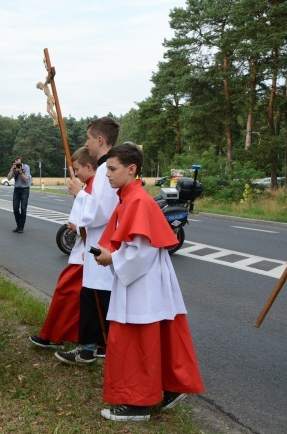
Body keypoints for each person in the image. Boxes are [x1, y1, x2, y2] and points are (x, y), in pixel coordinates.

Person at [95, 142, 204, 421]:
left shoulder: (138, 201)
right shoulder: (131, 197)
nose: (106, 174)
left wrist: (112, 259)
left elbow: (141, 251)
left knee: (137, 340)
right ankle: (165, 388)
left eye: (112, 168)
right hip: (146, 278)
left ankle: (138, 404)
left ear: (132, 169)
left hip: (142, 281)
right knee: (153, 336)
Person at [55, 117, 120, 365]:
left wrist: (79, 194)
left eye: (89, 138)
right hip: (97, 242)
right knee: (91, 297)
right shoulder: (105, 168)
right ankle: (90, 348)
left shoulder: (106, 170)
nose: (86, 143)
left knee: (99, 299)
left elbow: (101, 212)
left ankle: (98, 349)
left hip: (103, 242)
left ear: (100, 140)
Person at [29, 147, 97, 348]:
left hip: (88, 252)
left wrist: (79, 224)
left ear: (88, 166)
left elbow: (98, 216)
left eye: (77, 169)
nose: (75, 174)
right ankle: (62, 335)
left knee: (66, 290)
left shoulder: (95, 187)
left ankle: (53, 335)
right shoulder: (90, 185)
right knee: (73, 295)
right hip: (84, 250)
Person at [7, 157, 32, 233]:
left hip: (25, 189)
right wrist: (13, 169)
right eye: (16, 163)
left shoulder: (26, 167)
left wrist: (20, 172)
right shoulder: (13, 168)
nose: (18, 165)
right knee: (15, 208)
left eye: (19, 163)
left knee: (23, 209)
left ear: (22, 163)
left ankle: (21, 227)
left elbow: (26, 180)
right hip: (17, 189)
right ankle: (18, 225)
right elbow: (8, 178)